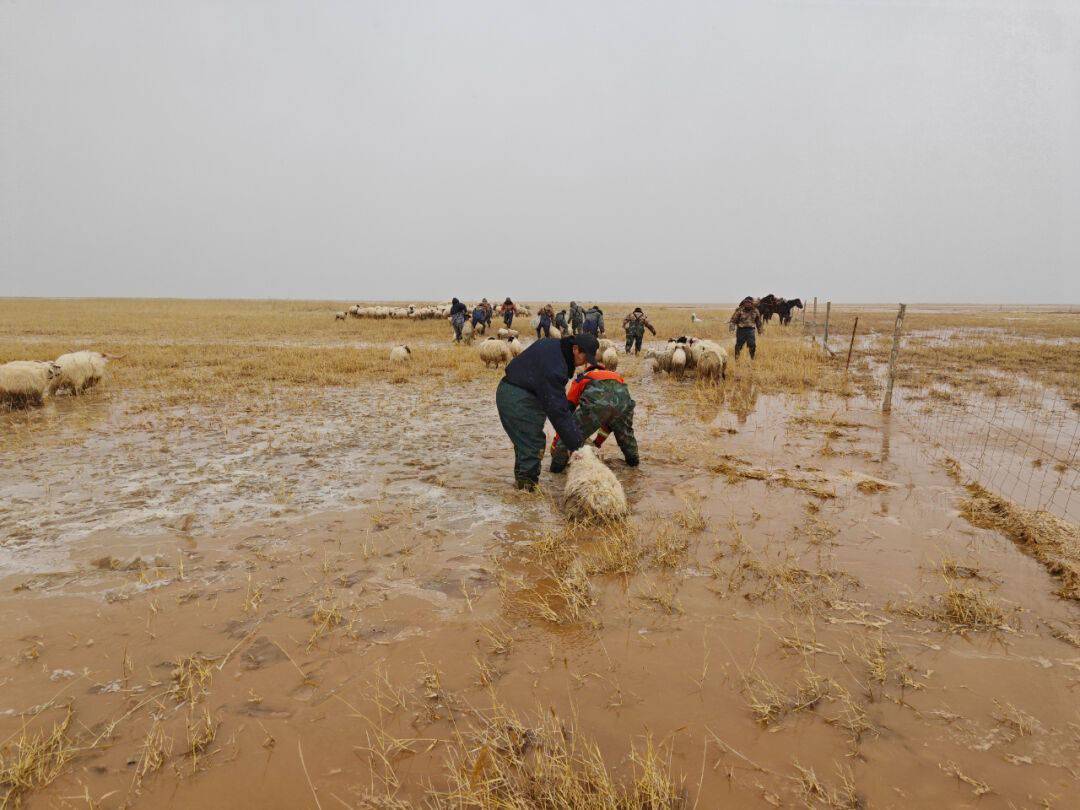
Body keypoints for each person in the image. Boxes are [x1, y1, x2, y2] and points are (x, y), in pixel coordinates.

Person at [496, 334, 598, 490]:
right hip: (517, 397)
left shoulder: (556, 347)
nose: (585, 362)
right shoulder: (555, 367)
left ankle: (521, 486)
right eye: (585, 356)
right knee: (532, 444)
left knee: (525, 443)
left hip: (521, 390)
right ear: (575, 349)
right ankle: (527, 491)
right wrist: (578, 446)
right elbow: (558, 412)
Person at [549, 359, 639, 473]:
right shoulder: (616, 376)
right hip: (623, 405)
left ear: (587, 370)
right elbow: (609, 417)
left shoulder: (582, 378)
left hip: (595, 408)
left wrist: (556, 442)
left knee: (568, 437)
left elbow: (567, 411)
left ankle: (555, 471)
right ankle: (634, 467)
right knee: (627, 438)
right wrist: (597, 443)